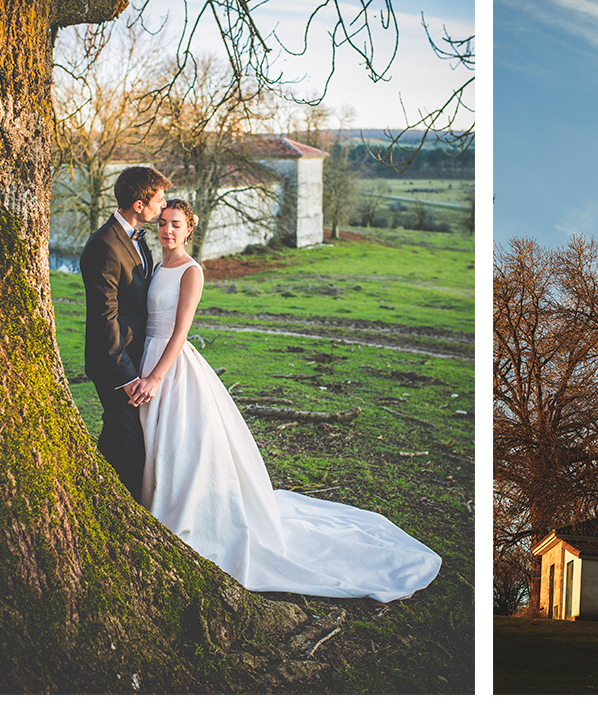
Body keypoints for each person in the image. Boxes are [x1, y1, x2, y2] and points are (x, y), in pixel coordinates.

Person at [136, 200, 441, 601]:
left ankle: (183, 515)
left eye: (175, 225)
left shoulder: (192, 271)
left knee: (181, 441)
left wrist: (158, 373)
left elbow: (181, 330)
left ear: (189, 229)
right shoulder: (158, 267)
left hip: (171, 366)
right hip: (147, 353)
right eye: (163, 224)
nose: (167, 231)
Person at [79, 166, 170, 500]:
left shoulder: (135, 238)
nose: (162, 207)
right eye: (158, 201)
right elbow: (106, 318)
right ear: (138, 203)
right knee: (131, 446)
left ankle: (96, 499)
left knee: (116, 439)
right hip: (114, 365)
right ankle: (127, 510)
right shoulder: (104, 245)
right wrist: (126, 376)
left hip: (137, 359)